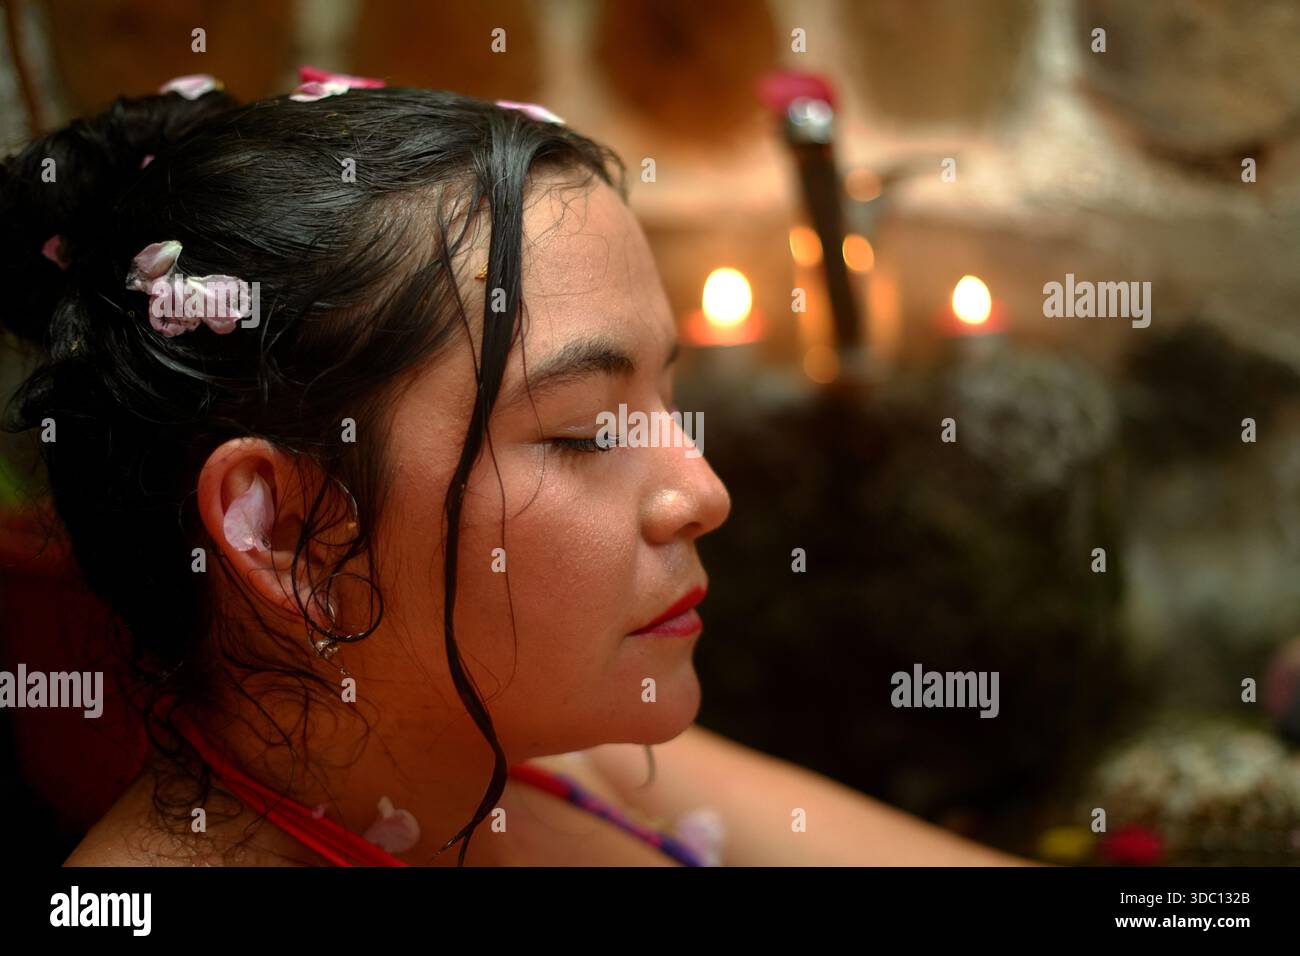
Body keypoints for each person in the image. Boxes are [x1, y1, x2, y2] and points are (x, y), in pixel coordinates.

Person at [2, 75, 1022, 866]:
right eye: (583, 431)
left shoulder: (549, 753)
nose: (703, 493)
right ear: (276, 526)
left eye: (667, 396)